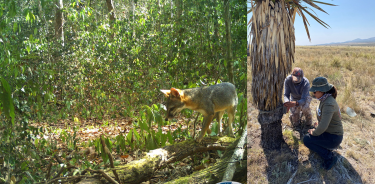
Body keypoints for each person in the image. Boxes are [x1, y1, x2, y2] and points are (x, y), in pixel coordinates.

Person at [303, 77, 343, 170]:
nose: (313, 93)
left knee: (307, 139)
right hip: (329, 133)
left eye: (315, 91)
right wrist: (318, 124)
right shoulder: (325, 99)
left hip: (333, 137)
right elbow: (325, 119)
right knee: (310, 134)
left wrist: (314, 132)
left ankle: (330, 157)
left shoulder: (329, 103)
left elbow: (324, 126)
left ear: (322, 91)